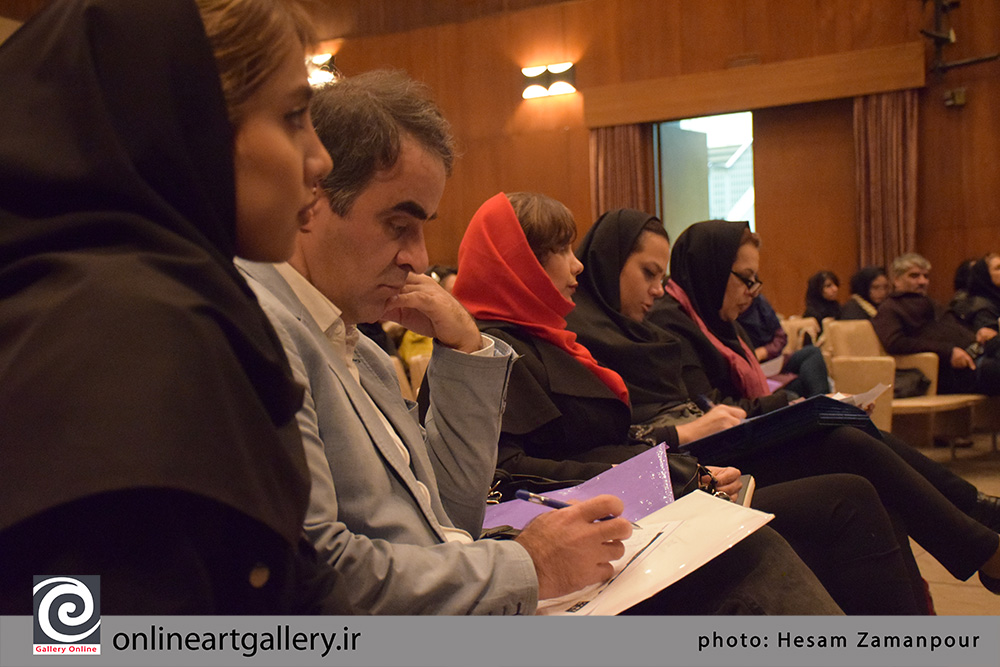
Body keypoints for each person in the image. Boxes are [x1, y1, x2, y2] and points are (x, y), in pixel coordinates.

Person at [238, 74, 844, 616]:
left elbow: (447, 512)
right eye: (399, 225)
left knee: (774, 529)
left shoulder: (360, 349)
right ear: (314, 198)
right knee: (767, 548)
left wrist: (467, 347)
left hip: (470, 578)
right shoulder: (264, 334)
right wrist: (530, 563)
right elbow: (321, 576)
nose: (419, 258)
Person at [0, 0, 339, 613]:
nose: (320, 159)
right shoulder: (123, 340)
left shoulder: (113, 301)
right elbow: (73, 643)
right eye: (293, 116)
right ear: (190, 120)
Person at [452, 193, 928, 614]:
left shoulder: (554, 342)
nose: (575, 265)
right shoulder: (489, 353)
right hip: (601, 518)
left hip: (643, 491)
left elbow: (611, 437)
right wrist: (673, 473)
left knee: (850, 478)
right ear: (514, 262)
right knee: (838, 498)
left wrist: (676, 470)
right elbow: (505, 475)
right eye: (558, 251)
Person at [625, 219, 1000, 598]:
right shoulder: (672, 322)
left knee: (856, 441)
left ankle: (977, 524)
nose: (753, 291)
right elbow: (707, 412)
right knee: (847, 447)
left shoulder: (719, 323)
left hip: (735, 443)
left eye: (757, 281)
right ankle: (981, 536)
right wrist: (788, 402)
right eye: (746, 279)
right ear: (711, 270)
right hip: (711, 464)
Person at [873, 253, 1000, 395]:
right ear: (896, 279)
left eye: (926, 276)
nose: (922, 281)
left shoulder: (931, 302)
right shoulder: (890, 308)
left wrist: (979, 334)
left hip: (977, 352)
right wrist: (948, 352)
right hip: (949, 369)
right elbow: (895, 342)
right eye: (914, 276)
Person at [736, 291, 830, 397]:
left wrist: (765, 351)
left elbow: (781, 337)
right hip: (754, 372)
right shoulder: (729, 316)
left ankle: (824, 402)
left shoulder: (759, 304)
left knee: (812, 352)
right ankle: (822, 402)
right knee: (803, 384)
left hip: (775, 361)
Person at [952, 254, 1000, 343]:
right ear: (985, 275)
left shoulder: (995, 299)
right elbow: (990, 343)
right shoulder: (982, 308)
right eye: (998, 268)